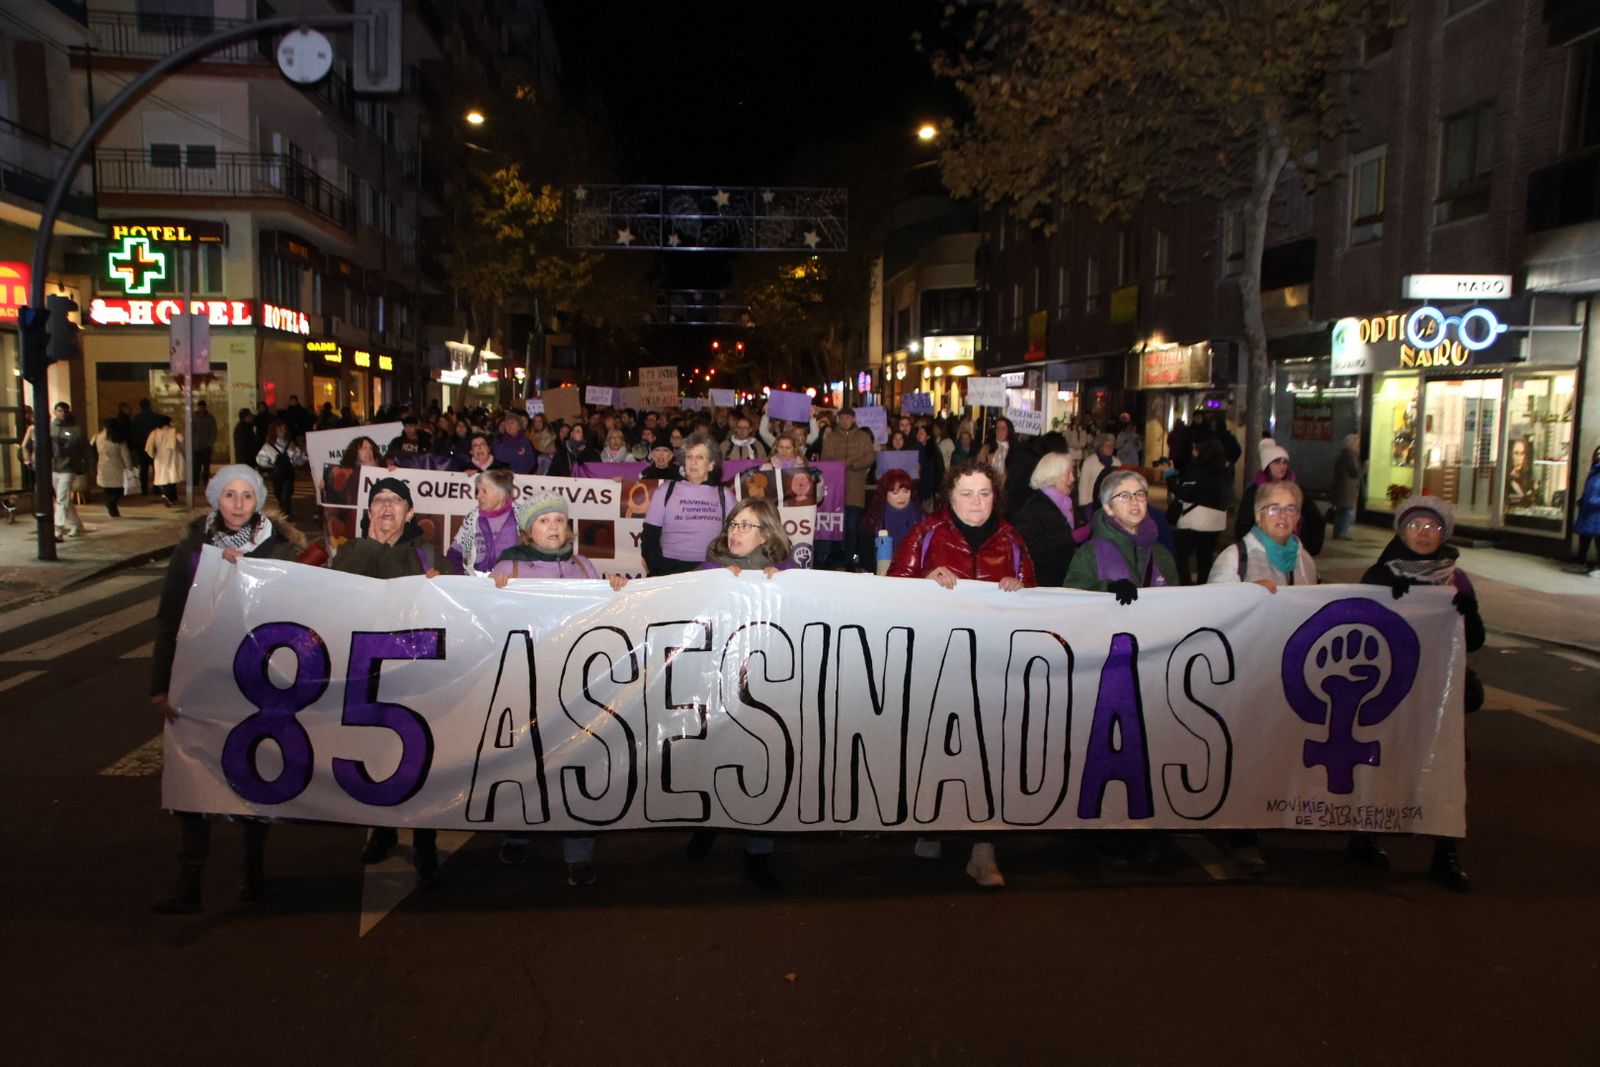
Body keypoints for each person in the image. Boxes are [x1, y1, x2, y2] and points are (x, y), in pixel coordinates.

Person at [149, 465, 316, 913]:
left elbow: (298, 610)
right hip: (200, 673)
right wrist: (160, 684)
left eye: (246, 495)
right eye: (229, 496)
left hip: (257, 676)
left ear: (258, 500)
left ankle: (253, 864)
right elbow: (169, 618)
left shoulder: (281, 549)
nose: (238, 504)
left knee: (253, 765)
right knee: (192, 767)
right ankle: (190, 876)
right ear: (215, 500)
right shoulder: (191, 551)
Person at [889, 460, 1034, 888]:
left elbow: (1036, 594)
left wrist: (1020, 587)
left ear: (996, 497)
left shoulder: (1011, 540)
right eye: (966, 493)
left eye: (984, 493)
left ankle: (982, 849)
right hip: (937, 661)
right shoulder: (926, 532)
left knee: (989, 754)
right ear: (950, 497)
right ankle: (930, 823)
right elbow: (894, 586)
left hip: (993, 666)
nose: (976, 502)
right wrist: (923, 578)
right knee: (935, 746)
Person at [490, 493, 628, 884]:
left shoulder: (585, 565)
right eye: (543, 521)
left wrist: (614, 587)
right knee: (525, 762)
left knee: (578, 762)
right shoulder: (508, 566)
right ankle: (518, 831)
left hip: (577, 686)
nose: (553, 527)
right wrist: (492, 592)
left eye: (559, 520)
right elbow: (487, 621)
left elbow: (606, 613)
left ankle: (579, 852)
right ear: (528, 531)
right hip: (528, 684)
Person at [1358, 495, 1480, 892]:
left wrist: (1467, 612)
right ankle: (1363, 836)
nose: (1424, 534)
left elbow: (1475, 641)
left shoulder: (1455, 580)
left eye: (1433, 527)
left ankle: (1445, 852)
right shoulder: (1379, 575)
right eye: (1416, 526)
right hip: (1392, 691)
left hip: (1438, 694)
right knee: (1382, 761)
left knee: (1444, 767)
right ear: (1401, 531)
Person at [331, 478, 444, 885]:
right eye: (378, 501)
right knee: (375, 752)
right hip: (366, 668)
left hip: (415, 671)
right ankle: (382, 830)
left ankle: (425, 839)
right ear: (368, 512)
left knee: (421, 754)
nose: (385, 508)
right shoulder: (350, 553)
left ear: (409, 513)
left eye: (395, 501)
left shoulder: (429, 555)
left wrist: (441, 585)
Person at [684, 497, 797, 892]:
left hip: (764, 686)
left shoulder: (786, 575)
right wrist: (711, 586)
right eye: (733, 523)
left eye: (746, 525)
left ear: (767, 532)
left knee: (761, 764)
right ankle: (708, 825)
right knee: (712, 756)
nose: (735, 531)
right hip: (713, 681)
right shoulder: (708, 569)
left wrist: (779, 587)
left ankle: (758, 852)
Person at [1064, 470, 1179, 600]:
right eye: (1124, 496)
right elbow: (1071, 601)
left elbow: (1174, 602)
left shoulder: (1161, 554)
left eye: (1140, 494)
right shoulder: (1090, 555)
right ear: (1108, 507)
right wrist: (1106, 589)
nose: (1135, 501)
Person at [641, 433, 739, 575]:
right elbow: (649, 536)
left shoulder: (725, 495)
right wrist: (659, 572)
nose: (693, 462)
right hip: (668, 570)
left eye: (700, 457)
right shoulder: (666, 490)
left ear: (711, 465)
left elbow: (737, 537)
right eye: (689, 457)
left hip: (709, 571)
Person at [1208, 479, 1318, 589]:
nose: (1283, 515)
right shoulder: (1234, 559)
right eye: (1274, 508)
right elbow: (1216, 603)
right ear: (1258, 516)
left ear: (1298, 517)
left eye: (1290, 509)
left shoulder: (1306, 561)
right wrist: (1248, 593)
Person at [1012, 451, 1085, 588]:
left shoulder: (1068, 503)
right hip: (1045, 584)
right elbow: (1029, 550)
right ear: (1052, 476)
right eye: (1068, 474)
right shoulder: (1033, 510)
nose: (1073, 479)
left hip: (1066, 581)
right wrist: (1069, 538)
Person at [1169, 437, 1232, 585]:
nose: (1192, 451)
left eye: (1195, 448)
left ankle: (1186, 586)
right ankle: (1204, 588)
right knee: (1205, 558)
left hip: (1198, 520)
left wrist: (1169, 476)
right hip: (1217, 521)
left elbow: (1183, 492)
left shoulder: (1199, 469)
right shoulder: (1223, 469)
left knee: (1179, 553)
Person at [819, 407, 876, 568]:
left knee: (852, 525)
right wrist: (838, 465)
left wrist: (853, 464)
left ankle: (850, 557)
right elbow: (825, 457)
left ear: (853, 419)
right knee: (836, 524)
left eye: (848, 418)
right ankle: (836, 556)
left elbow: (870, 456)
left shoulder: (863, 437)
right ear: (838, 420)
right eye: (842, 418)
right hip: (835, 490)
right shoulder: (831, 438)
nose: (845, 421)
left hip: (854, 489)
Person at [447, 468, 530, 576]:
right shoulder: (472, 519)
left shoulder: (523, 518)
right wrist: (464, 581)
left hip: (513, 587)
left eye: (484, 491)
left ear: (502, 494)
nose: (478, 496)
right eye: (478, 491)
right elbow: (453, 555)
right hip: (477, 588)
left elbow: (535, 557)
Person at [861, 468, 921, 559]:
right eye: (895, 492)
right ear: (885, 494)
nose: (902, 496)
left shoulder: (922, 520)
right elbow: (866, 559)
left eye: (906, 491)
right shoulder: (873, 521)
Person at [49, 402, 90, 538]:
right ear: (55, 412)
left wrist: (88, 465)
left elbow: (85, 448)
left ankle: (58, 528)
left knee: (62, 498)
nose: (62, 414)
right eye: (59, 411)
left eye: (65, 411)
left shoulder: (75, 429)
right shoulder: (49, 428)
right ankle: (76, 525)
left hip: (69, 467)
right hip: (54, 467)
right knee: (64, 498)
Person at [255, 418, 302, 517]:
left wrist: (303, 457)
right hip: (277, 474)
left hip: (288, 473)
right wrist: (271, 465)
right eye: (280, 429)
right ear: (274, 431)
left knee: (286, 494)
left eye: (284, 429)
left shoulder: (290, 443)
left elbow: (298, 458)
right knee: (278, 492)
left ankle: (286, 513)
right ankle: (284, 510)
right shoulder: (268, 446)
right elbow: (260, 459)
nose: (283, 431)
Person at [91, 418, 134, 519]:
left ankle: (113, 509)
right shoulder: (118, 438)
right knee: (119, 489)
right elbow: (125, 454)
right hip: (117, 466)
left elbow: (93, 451)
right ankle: (111, 504)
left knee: (108, 489)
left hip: (102, 466)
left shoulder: (97, 437)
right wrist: (129, 466)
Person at [146, 413, 184, 508]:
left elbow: (148, 447)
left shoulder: (154, 433)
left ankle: (170, 496)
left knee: (163, 478)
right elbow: (182, 439)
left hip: (160, 457)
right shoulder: (173, 431)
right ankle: (169, 496)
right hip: (172, 456)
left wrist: (153, 454)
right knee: (172, 477)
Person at [1574, 444, 1600, 576]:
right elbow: (1589, 491)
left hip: (1596, 514)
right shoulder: (1594, 471)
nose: (1598, 456)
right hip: (1588, 514)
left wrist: (1590, 501)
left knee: (1598, 542)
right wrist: (1583, 499)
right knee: (1584, 541)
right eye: (1597, 453)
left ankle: (1598, 568)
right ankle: (1580, 563)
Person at [1078, 433, 1118, 509]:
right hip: (1092, 502)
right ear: (1100, 447)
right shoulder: (1089, 462)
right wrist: (1084, 505)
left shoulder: (1117, 462)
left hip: (1112, 503)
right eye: (1108, 446)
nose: (1110, 448)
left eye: (1112, 446)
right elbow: (1083, 485)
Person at [130, 397, 160, 494]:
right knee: (155, 466)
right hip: (154, 445)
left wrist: (134, 445)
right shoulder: (155, 417)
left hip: (141, 445)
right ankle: (156, 487)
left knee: (143, 468)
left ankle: (144, 488)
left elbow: (133, 433)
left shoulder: (136, 419)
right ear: (149, 405)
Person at [191, 399, 218, 487]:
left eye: (202, 407)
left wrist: (210, 442)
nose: (200, 409)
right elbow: (190, 430)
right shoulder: (193, 417)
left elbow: (213, 431)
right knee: (196, 465)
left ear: (204, 407)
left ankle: (205, 480)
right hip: (196, 445)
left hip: (206, 446)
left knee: (206, 465)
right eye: (199, 407)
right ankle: (195, 480)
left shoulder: (210, 417)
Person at [1504, 436, 1536, 508]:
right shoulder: (1506, 478)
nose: (1519, 458)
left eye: (1522, 453)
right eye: (1516, 453)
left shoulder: (1528, 477)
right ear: (1510, 455)